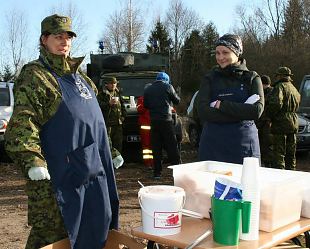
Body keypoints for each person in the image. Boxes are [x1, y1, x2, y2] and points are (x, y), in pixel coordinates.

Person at [4, 14, 119, 249]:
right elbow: (23, 123)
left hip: (92, 171)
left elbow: (93, 122)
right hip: (57, 176)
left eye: (68, 37)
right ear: (44, 39)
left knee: (94, 225)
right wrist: (32, 160)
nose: (64, 41)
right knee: (52, 236)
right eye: (58, 36)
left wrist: (111, 148)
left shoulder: (82, 78)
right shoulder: (36, 75)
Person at [197, 34, 264, 164]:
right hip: (212, 146)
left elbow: (256, 111)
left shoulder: (252, 78)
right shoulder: (209, 78)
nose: (220, 57)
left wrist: (221, 106)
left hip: (243, 146)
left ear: (237, 52)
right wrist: (241, 113)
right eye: (217, 53)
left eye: (225, 52)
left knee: (244, 183)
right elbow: (202, 111)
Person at [144, 72, 181, 179]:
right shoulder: (168, 86)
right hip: (166, 120)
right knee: (172, 146)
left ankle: (157, 173)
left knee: (156, 147)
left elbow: (146, 104)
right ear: (166, 79)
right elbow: (177, 101)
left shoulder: (148, 89)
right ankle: (177, 172)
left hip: (154, 121)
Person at [265, 67, 300, 170]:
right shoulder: (293, 88)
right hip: (293, 121)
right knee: (291, 152)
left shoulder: (279, 87)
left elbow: (276, 103)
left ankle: (280, 175)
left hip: (281, 122)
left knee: (279, 152)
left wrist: (269, 116)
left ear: (280, 76)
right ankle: (292, 172)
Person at [98, 76, 126, 154]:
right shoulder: (101, 94)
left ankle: (118, 163)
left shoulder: (117, 93)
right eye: (111, 83)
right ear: (106, 84)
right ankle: (109, 163)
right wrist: (108, 104)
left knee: (118, 144)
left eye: (114, 83)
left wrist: (123, 116)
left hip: (118, 123)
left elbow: (122, 105)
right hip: (108, 124)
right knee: (108, 144)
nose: (113, 85)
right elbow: (98, 106)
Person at [256, 75, 274, 167]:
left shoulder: (270, 93)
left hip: (267, 123)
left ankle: (268, 164)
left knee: (267, 145)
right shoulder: (269, 92)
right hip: (262, 122)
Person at [137, 95, 153, 169]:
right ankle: (148, 163)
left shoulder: (142, 99)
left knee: (152, 146)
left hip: (152, 126)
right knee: (147, 146)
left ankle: (152, 163)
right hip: (146, 126)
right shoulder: (142, 99)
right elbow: (139, 109)